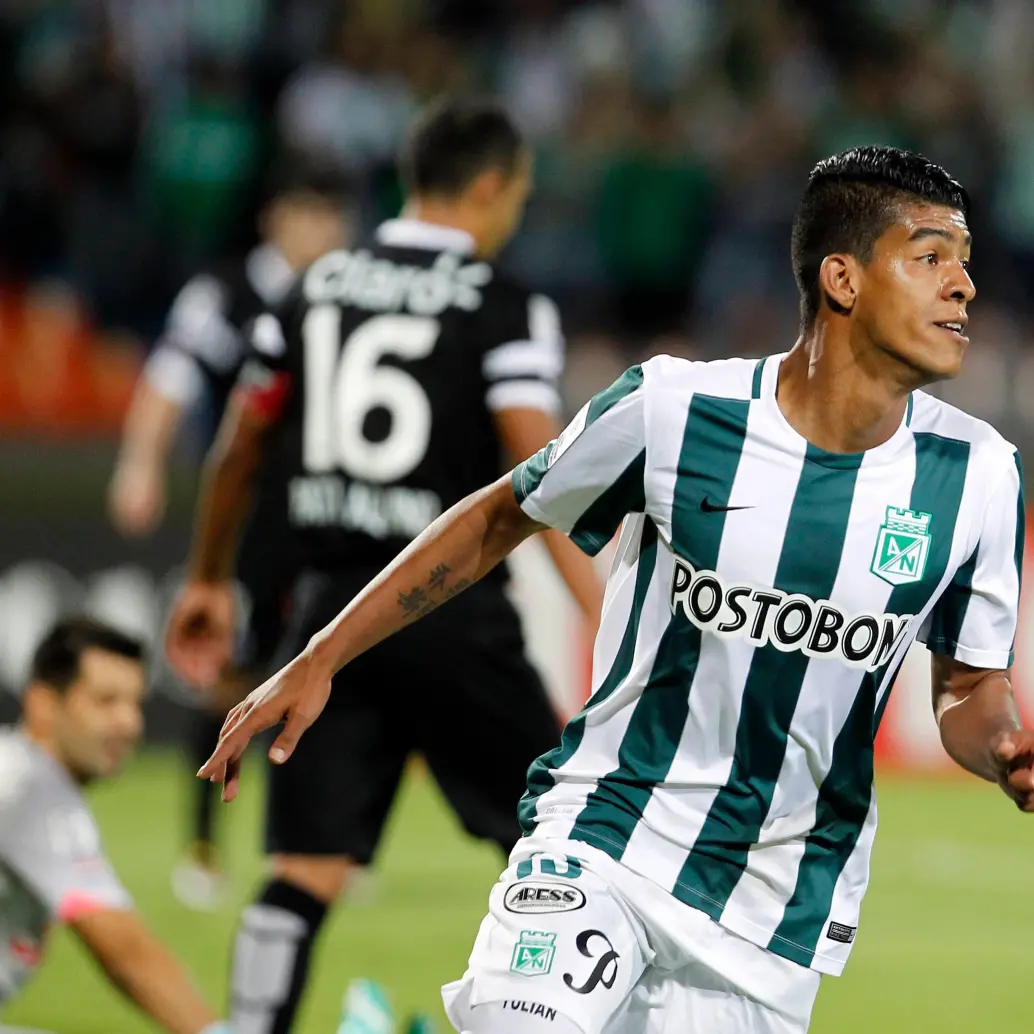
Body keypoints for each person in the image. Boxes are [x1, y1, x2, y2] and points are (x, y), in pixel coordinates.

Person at [194, 144, 1034, 1034]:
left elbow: (967, 686)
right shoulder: (680, 412)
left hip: (771, 913)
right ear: (843, 278)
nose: (964, 286)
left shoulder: (979, 475)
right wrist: (322, 657)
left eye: (965, 262)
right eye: (931, 257)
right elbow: (498, 518)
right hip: (606, 839)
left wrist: (1005, 745)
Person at [165, 98, 603, 1034]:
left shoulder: (311, 287)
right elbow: (544, 466)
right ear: (492, 187)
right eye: (519, 196)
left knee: (302, 869)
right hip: (451, 609)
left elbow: (240, 445)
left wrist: (206, 577)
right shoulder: (502, 301)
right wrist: (603, 607)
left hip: (326, 622)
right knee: (560, 841)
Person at [109, 162, 351, 908]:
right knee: (228, 673)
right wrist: (140, 461)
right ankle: (204, 846)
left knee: (333, 662)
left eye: (331, 215)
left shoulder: (350, 293)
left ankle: (323, 845)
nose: (321, 230)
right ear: (274, 217)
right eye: (307, 212)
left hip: (330, 507)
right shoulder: (225, 294)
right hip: (249, 514)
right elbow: (170, 378)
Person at [0, 617, 224, 1034]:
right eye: (106, 701)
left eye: (135, 703)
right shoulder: (28, 791)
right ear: (44, 704)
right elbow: (127, 953)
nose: (130, 723)